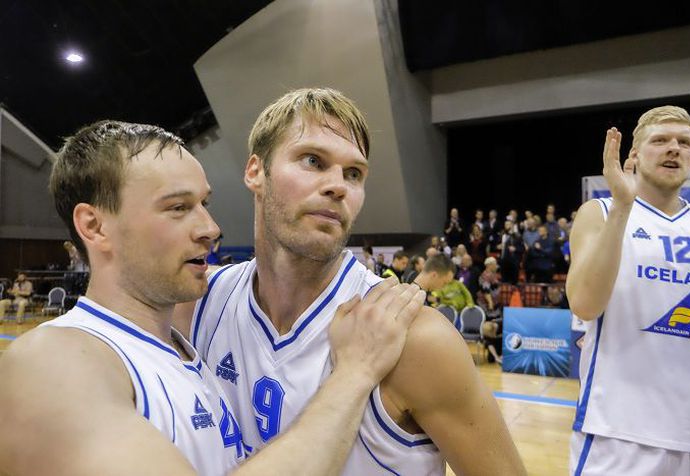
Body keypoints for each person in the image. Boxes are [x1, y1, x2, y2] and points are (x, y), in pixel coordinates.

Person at [0, 120, 425, 476]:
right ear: (94, 226)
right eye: (178, 207)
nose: (211, 228)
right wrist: (354, 374)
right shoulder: (52, 361)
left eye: (204, 203)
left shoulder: (182, 347)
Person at [176, 88, 525, 475]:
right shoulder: (194, 303)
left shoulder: (416, 340)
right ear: (255, 171)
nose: (338, 185)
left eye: (353, 174)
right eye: (313, 161)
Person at [567, 106, 690, 475]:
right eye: (660, 140)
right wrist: (622, 207)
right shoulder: (600, 212)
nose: (674, 148)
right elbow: (584, 304)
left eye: (684, 143)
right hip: (618, 432)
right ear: (634, 154)